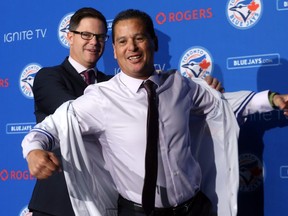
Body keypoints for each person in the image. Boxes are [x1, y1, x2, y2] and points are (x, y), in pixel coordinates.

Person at [22, 9, 288, 216]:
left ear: (154, 43)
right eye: (122, 41)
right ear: (114, 51)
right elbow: (51, 127)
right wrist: (34, 149)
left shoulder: (180, 85)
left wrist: (273, 99)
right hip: (137, 211)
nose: (132, 47)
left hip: (195, 208)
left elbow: (222, 104)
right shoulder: (101, 98)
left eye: (139, 38)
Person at [27, 7, 112, 216]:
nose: (94, 42)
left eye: (100, 36)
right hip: (57, 203)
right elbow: (77, 115)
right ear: (70, 37)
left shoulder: (111, 83)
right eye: (86, 35)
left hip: (103, 201)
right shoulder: (48, 77)